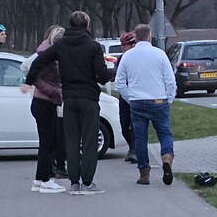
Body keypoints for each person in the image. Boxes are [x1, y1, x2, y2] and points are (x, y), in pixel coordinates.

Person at [25, 11, 109, 195]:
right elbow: (102, 76)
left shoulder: (61, 45)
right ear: (87, 25)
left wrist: (28, 81)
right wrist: (112, 72)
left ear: (70, 25)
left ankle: (73, 183)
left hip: (68, 98)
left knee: (71, 140)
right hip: (88, 98)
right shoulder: (93, 46)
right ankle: (87, 182)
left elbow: (39, 61)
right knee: (88, 140)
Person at [114, 23, 176, 186]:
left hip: (137, 102)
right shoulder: (160, 54)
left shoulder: (127, 56)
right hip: (159, 100)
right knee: (165, 134)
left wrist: (130, 98)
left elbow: (119, 83)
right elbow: (170, 81)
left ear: (137, 36)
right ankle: (167, 159)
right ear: (149, 36)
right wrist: (169, 99)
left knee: (140, 138)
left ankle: (144, 174)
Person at [23, 25, 66, 194]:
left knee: (47, 142)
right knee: (48, 143)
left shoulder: (45, 53)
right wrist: (58, 93)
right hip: (45, 102)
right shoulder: (48, 58)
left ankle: (39, 179)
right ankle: (46, 180)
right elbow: (40, 81)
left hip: (43, 102)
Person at [116, 32, 138, 162]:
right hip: (124, 95)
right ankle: (132, 147)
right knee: (124, 124)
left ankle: (135, 150)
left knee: (135, 124)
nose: (124, 47)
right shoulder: (121, 58)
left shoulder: (137, 58)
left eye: (126, 45)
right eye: (122, 45)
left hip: (136, 95)